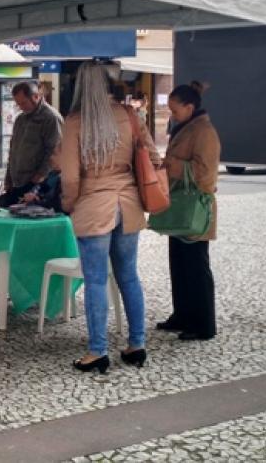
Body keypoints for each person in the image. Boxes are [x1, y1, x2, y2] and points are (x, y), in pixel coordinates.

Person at [58, 61, 160, 373]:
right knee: (129, 276)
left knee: (96, 280)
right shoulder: (130, 114)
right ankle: (137, 344)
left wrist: (68, 203)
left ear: (80, 86)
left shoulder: (75, 122)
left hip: (93, 204)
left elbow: (70, 177)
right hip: (128, 203)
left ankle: (98, 351)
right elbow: (154, 157)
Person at [158, 84, 221, 341]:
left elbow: (205, 174)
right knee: (179, 264)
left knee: (196, 266)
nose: (171, 115)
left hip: (195, 209)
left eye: (174, 110)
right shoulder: (186, 127)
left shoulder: (204, 132)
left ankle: (203, 324)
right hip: (180, 207)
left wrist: (171, 165)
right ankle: (182, 315)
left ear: (189, 107)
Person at [4, 81, 63, 202]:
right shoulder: (20, 119)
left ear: (36, 96)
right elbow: (13, 150)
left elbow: (54, 151)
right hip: (17, 182)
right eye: (18, 104)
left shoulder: (50, 118)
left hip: (37, 184)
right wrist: (8, 178)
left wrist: (39, 177)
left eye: (23, 103)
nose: (21, 107)